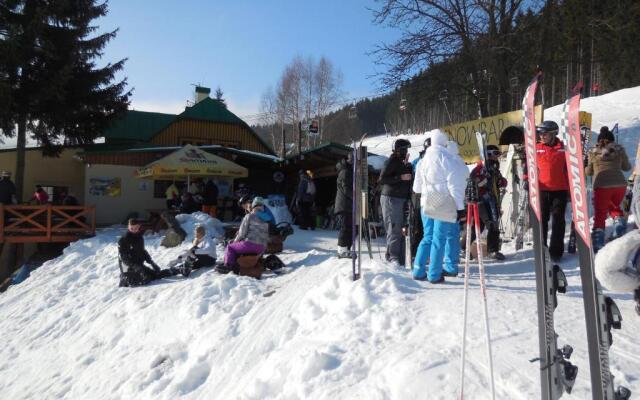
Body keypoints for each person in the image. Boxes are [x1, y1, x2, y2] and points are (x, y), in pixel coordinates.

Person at [412, 131, 467, 282]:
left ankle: (418, 270)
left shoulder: (422, 161)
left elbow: (416, 188)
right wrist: (460, 208)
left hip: (426, 203)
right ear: (443, 143)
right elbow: (454, 187)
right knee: (439, 239)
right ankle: (435, 275)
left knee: (427, 237)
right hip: (442, 203)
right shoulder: (447, 158)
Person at [586, 126, 632, 251]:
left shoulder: (593, 152)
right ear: (612, 140)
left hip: (602, 185)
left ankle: (598, 242)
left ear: (599, 140)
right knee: (614, 207)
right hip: (620, 185)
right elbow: (627, 167)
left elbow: (589, 172)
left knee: (600, 213)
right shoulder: (619, 150)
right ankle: (619, 230)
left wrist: (588, 164)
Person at [118, 218, 190, 287]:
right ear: (128, 227)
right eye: (131, 228)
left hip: (139, 266)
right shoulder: (123, 240)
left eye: (135, 228)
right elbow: (123, 258)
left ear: (139, 227)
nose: (134, 230)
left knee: (156, 274)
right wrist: (137, 267)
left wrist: (151, 262)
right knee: (146, 279)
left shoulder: (139, 237)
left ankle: (178, 269)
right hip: (128, 269)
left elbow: (142, 251)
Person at [465, 145, 508, 260]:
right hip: (481, 202)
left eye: (498, 154)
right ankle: (464, 248)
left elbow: (502, 181)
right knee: (483, 225)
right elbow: (473, 182)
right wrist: (483, 179)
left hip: (493, 201)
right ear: (488, 154)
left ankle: (492, 250)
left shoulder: (494, 167)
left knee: (491, 225)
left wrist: (501, 181)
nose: (497, 157)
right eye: (495, 154)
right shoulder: (480, 168)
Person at [535, 120, 570, 261]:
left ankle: (556, 252)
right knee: (542, 220)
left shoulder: (564, 148)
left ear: (554, 133)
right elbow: (529, 166)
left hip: (560, 190)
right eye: (540, 133)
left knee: (558, 220)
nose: (542, 136)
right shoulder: (536, 148)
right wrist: (527, 179)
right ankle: (541, 249)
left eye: (545, 134)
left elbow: (570, 167)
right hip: (542, 189)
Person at [378, 138, 413, 266]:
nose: (406, 151)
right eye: (404, 149)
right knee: (394, 228)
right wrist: (400, 177)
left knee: (402, 228)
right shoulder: (392, 161)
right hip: (391, 198)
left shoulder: (401, 162)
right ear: (399, 150)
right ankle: (392, 257)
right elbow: (382, 179)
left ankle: (401, 257)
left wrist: (407, 168)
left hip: (401, 199)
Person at [224, 197, 270, 268]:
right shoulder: (265, 218)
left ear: (253, 205)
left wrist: (234, 241)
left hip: (250, 244)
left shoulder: (249, 216)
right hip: (262, 247)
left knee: (230, 247)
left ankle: (228, 265)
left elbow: (242, 233)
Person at [410, 136, 432, 257]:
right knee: (419, 225)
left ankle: (424, 253)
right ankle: (416, 252)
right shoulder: (420, 160)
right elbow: (414, 177)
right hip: (419, 195)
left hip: (428, 196)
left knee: (427, 228)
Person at [334, 152, 354, 258]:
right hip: (343, 205)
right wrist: (355, 196)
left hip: (348, 205)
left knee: (350, 227)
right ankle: (341, 250)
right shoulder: (345, 171)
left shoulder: (349, 171)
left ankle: (346, 248)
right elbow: (345, 188)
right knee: (345, 227)